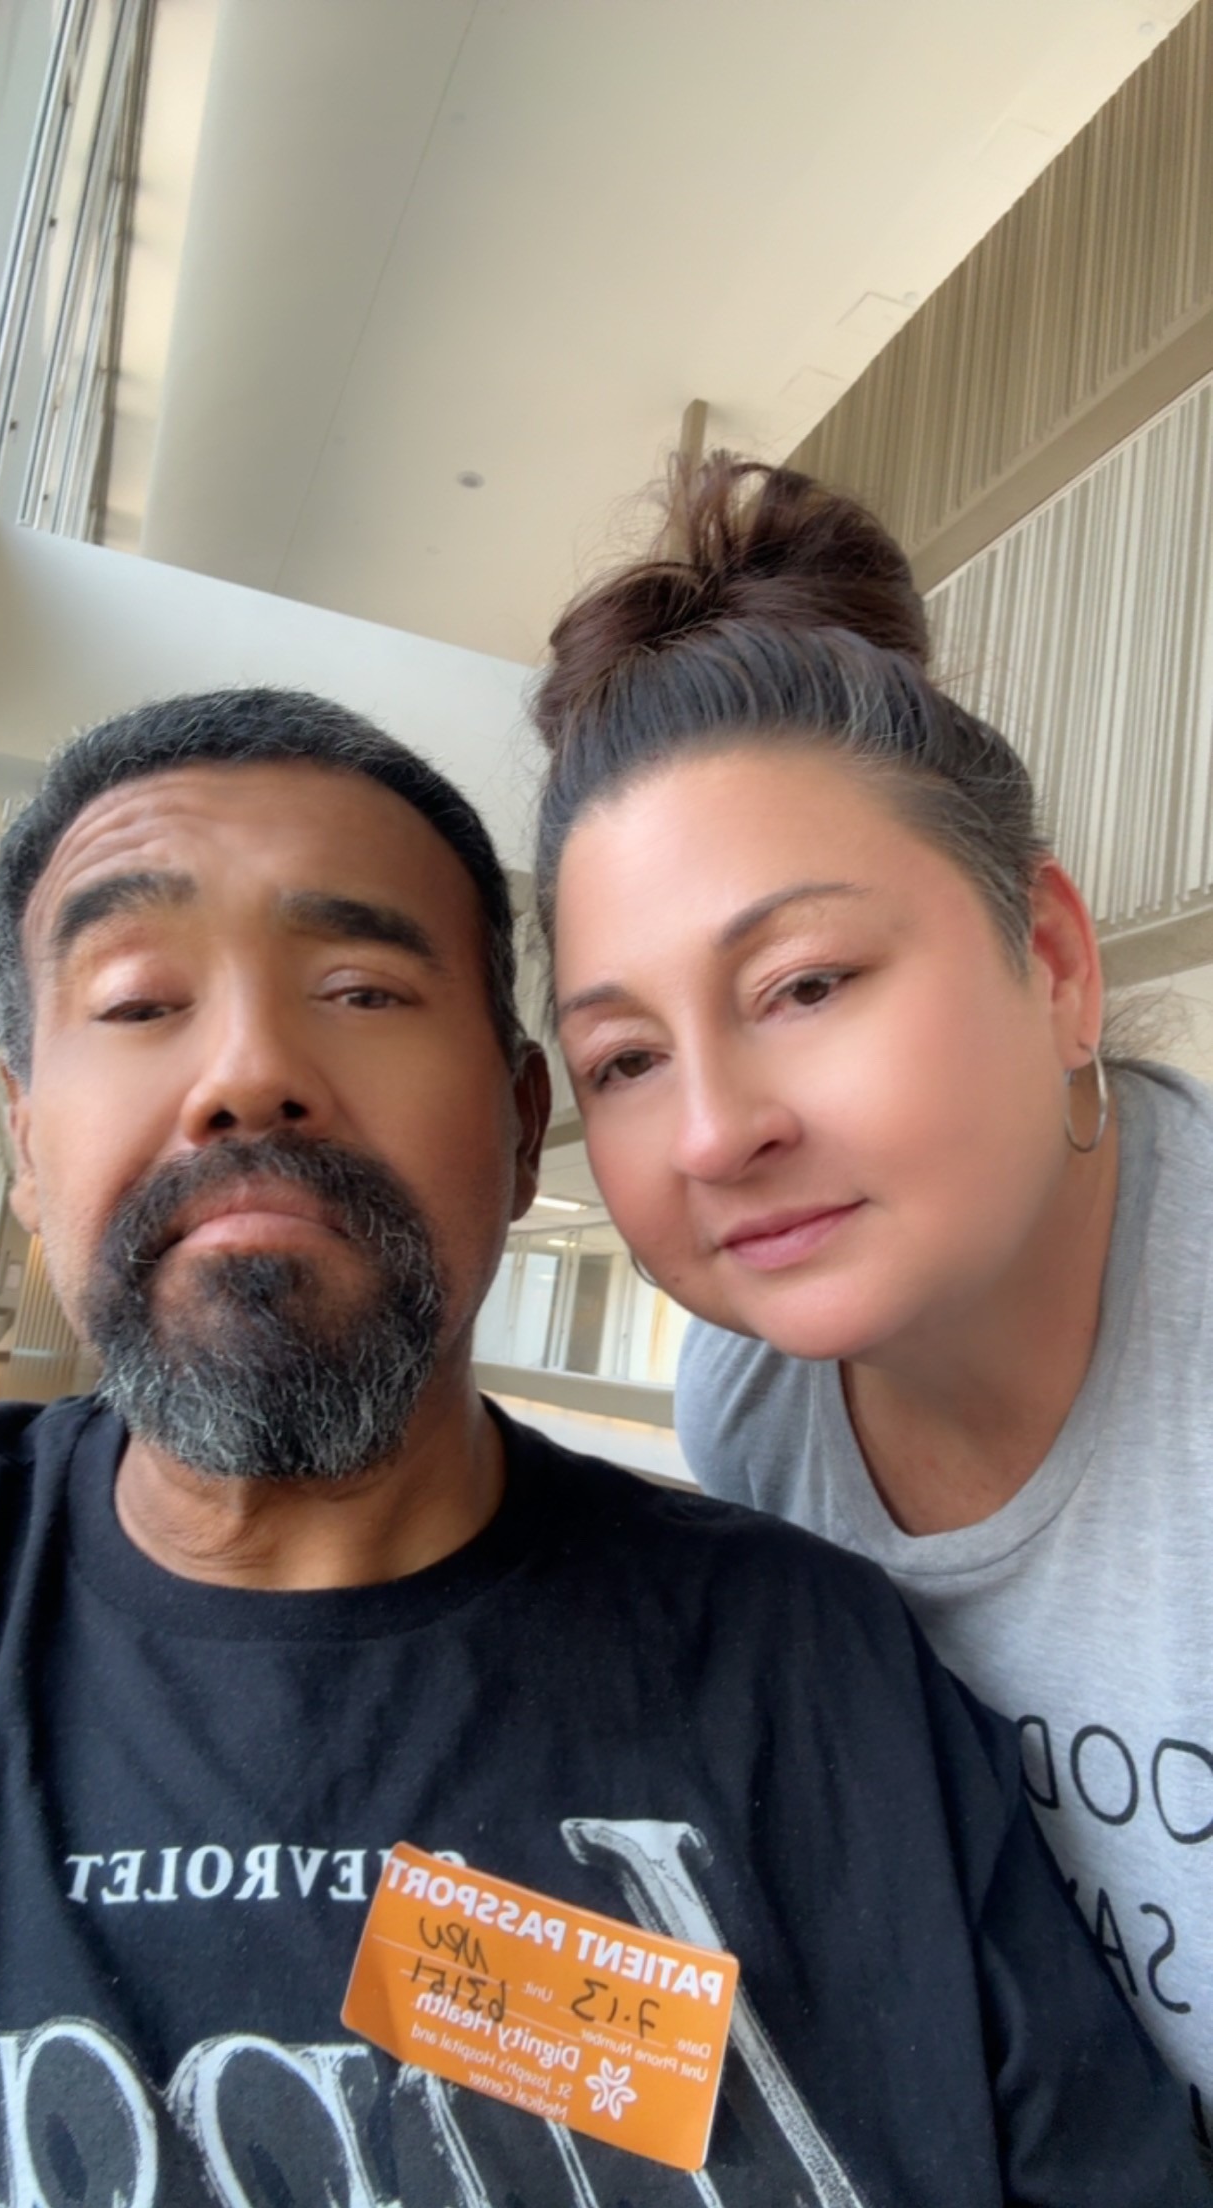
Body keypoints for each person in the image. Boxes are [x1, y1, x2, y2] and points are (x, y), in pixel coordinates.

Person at [0, 687, 1204, 2208]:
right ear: (26, 1144)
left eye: (361, 988)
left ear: (517, 1123)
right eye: (137, 1001)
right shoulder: (767, 1409)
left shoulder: (818, 1662)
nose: (246, 1070)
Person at [532, 453, 1213, 2148]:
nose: (714, 1133)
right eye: (623, 1058)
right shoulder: (753, 1405)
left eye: (804, 983)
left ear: (1050, 962)